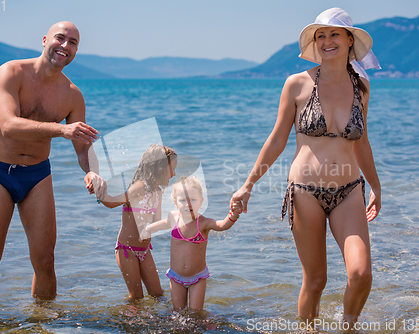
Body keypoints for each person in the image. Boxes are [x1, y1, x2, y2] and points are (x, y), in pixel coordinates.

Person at [231, 8, 381, 326]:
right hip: (305, 193)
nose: (327, 40)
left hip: (349, 190)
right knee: (315, 282)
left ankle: (347, 328)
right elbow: (276, 140)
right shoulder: (297, 84)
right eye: (321, 35)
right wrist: (248, 184)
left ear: (350, 40)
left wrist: (377, 187)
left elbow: (362, 142)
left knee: (361, 274)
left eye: (334, 34)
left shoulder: (362, 89)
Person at [0, 22, 102, 304]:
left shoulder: (72, 95)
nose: (65, 46)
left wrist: (92, 172)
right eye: (60, 38)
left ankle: (42, 322)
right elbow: (8, 125)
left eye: (73, 42)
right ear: (44, 40)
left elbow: (81, 149)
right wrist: (61, 130)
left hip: (38, 176)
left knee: (45, 261)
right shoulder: (11, 72)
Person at [85, 144, 178, 300]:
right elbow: (113, 202)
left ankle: (157, 321)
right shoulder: (139, 187)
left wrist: (170, 221)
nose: (174, 174)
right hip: (127, 250)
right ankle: (131, 321)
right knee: (136, 297)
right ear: (159, 168)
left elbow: (156, 223)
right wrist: (98, 192)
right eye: (172, 169)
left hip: (145, 250)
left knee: (158, 293)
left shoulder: (158, 192)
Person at [141, 176, 242, 311]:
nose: (188, 204)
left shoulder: (204, 223)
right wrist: (148, 229)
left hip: (197, 278)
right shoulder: (173, 216)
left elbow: (222, 225)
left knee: (195, 313)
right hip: (176, 277)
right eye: (183, 200)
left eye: (193, 200)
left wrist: (233, 214)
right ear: (176, 202)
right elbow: (165, 223)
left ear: (201, 201)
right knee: (178, 312)